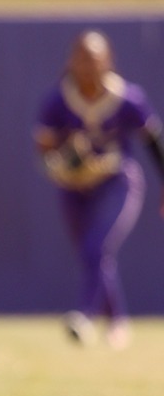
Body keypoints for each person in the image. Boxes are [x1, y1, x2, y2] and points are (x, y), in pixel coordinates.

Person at [35, 30, 164, 350]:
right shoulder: (58, 100)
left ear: (108, 61)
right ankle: (118, 322)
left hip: (117, 180)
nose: (87, 65)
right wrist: (63, 163)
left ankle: (85, 316)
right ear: (71, 61)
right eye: (81, 57)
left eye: (94, 58)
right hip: (75, 188)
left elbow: (152, 141)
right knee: (93, 256)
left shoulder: (127, 98)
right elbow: (45, 149)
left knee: (97, 246)